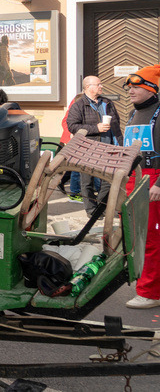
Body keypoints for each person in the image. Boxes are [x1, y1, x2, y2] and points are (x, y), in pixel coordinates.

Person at [122, 65, 160, 309]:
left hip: (153, 180)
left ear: (151, 89)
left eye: (136, 87)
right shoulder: (132, 114)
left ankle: (149, 293)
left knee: (150, 238)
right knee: (137, 236)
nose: (131, 91)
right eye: (130, 87)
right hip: (133, 179)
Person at [66, 75, 122, 217]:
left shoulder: (107, 103)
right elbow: (72, 126)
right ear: (88, 87)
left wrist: (119, 143)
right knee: (87, 181)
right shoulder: (78, 105)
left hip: (109, 148)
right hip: (88, 149)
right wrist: (96, 128)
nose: (101, 86)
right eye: (98, 84)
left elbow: (116, 123)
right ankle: (91, 210)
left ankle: (100, 208)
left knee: (108, 181)